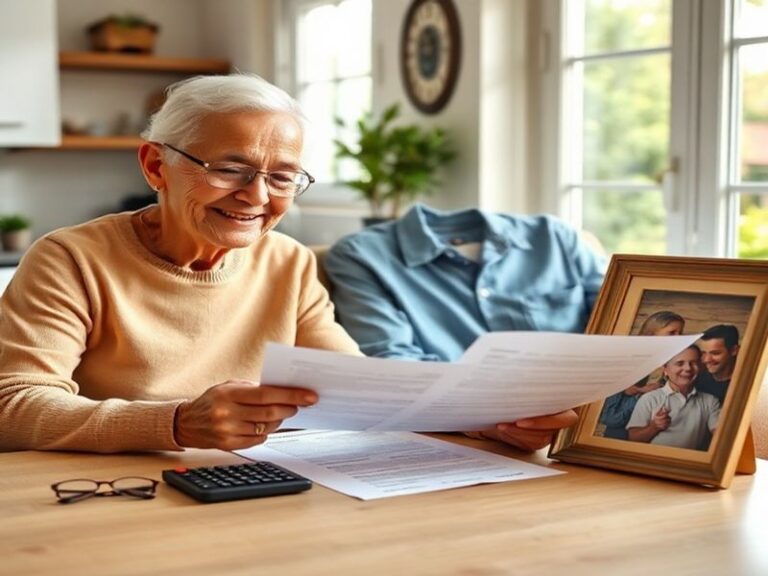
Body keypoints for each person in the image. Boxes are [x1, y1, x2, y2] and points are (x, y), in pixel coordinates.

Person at [0, 74, 362, 453]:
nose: (256, 196)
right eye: (228, 169)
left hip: (246, 480)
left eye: (282, 177)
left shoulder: (289, 262)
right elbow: (14, 406)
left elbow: (354, 386)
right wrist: (175, 424)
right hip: (118, 489)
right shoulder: (70, 260)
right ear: (156, 165)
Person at [324, 203, 607, 449]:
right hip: (467, 447)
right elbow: (394, 366)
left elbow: (621, 319)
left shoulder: (558, 238)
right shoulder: (361, 256)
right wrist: (486, 423)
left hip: (593, 430)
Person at [597, 311, 685, 440]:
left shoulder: (678, 364)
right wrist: (642, 393)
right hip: (620, 439)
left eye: (680, 333)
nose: (679, 337)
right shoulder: (626, 363)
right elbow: (610, 418)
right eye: (672, 332)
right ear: (652, 333)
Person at [626, 346, 720, 450]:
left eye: (693, 363)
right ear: (665, 369)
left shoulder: (710, 401)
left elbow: (720, 435)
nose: (688, 368)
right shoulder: (649, 399)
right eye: (680, 363)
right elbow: (633, 439)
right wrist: (654, 427)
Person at [696, 324, 740, 405]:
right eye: (703, 353)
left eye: (715, 353)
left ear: (734, 350)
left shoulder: (745, 384)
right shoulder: (696, 381)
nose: (706, 360)